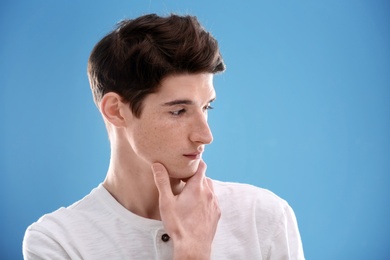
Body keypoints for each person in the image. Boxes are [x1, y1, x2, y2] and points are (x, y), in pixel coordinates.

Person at [23, 13, 304, 259]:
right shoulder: (57, 242)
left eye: (207, 107)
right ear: (116, 111)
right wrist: (192, 253)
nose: (205, 136)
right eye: (179, 111)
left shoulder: (263, 217)